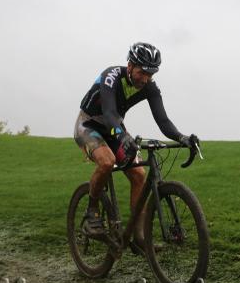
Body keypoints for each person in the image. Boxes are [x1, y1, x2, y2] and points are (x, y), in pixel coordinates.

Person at [74, 42, 198, 253]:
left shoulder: (150, 86)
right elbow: (110, 113)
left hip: (114, 127)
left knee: (139, 174)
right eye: (142, 72)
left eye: (151, 74)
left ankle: (138, 237)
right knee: (107, 162)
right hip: (88, 125)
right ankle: (91, 213)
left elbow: (163, 121)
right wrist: (122, 136)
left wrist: (181, 137)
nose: (145, 79)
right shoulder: (111, 76)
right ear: (130, 65)